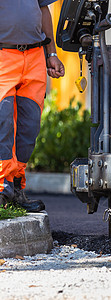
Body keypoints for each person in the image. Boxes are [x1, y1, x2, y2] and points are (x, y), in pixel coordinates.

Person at [0, 1, 65, 212]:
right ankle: (2, 188)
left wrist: (52, 54)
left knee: (29, 127)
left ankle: (16, 188)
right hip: (3, 55)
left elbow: (43, 10)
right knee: (3, 122)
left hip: (34, 56)